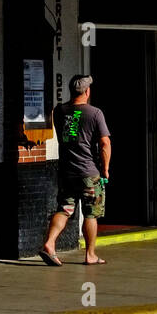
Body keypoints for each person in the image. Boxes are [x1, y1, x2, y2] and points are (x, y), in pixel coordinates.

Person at [40, 74, 111, 266]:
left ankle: (49, 243)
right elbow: (105, 143)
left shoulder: (60, 111)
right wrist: (105, 169)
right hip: (89, 172)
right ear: (87, 91)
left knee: (64, 209)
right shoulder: (95, 113)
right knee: (91, 213)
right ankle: (90, 255)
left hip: (67, 172)